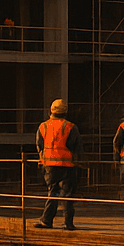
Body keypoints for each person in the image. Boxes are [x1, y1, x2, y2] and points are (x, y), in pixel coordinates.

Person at [34, 98, 82, 230]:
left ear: (51, 111)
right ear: (65, 112)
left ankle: (46, 221)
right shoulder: (70, 127)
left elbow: (39, 145)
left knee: (52, 192)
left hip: (49, 164)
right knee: (67, 194)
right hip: (67, 164)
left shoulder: (43, 126)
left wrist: (43, 158)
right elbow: (76, 146)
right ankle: (68, 223)